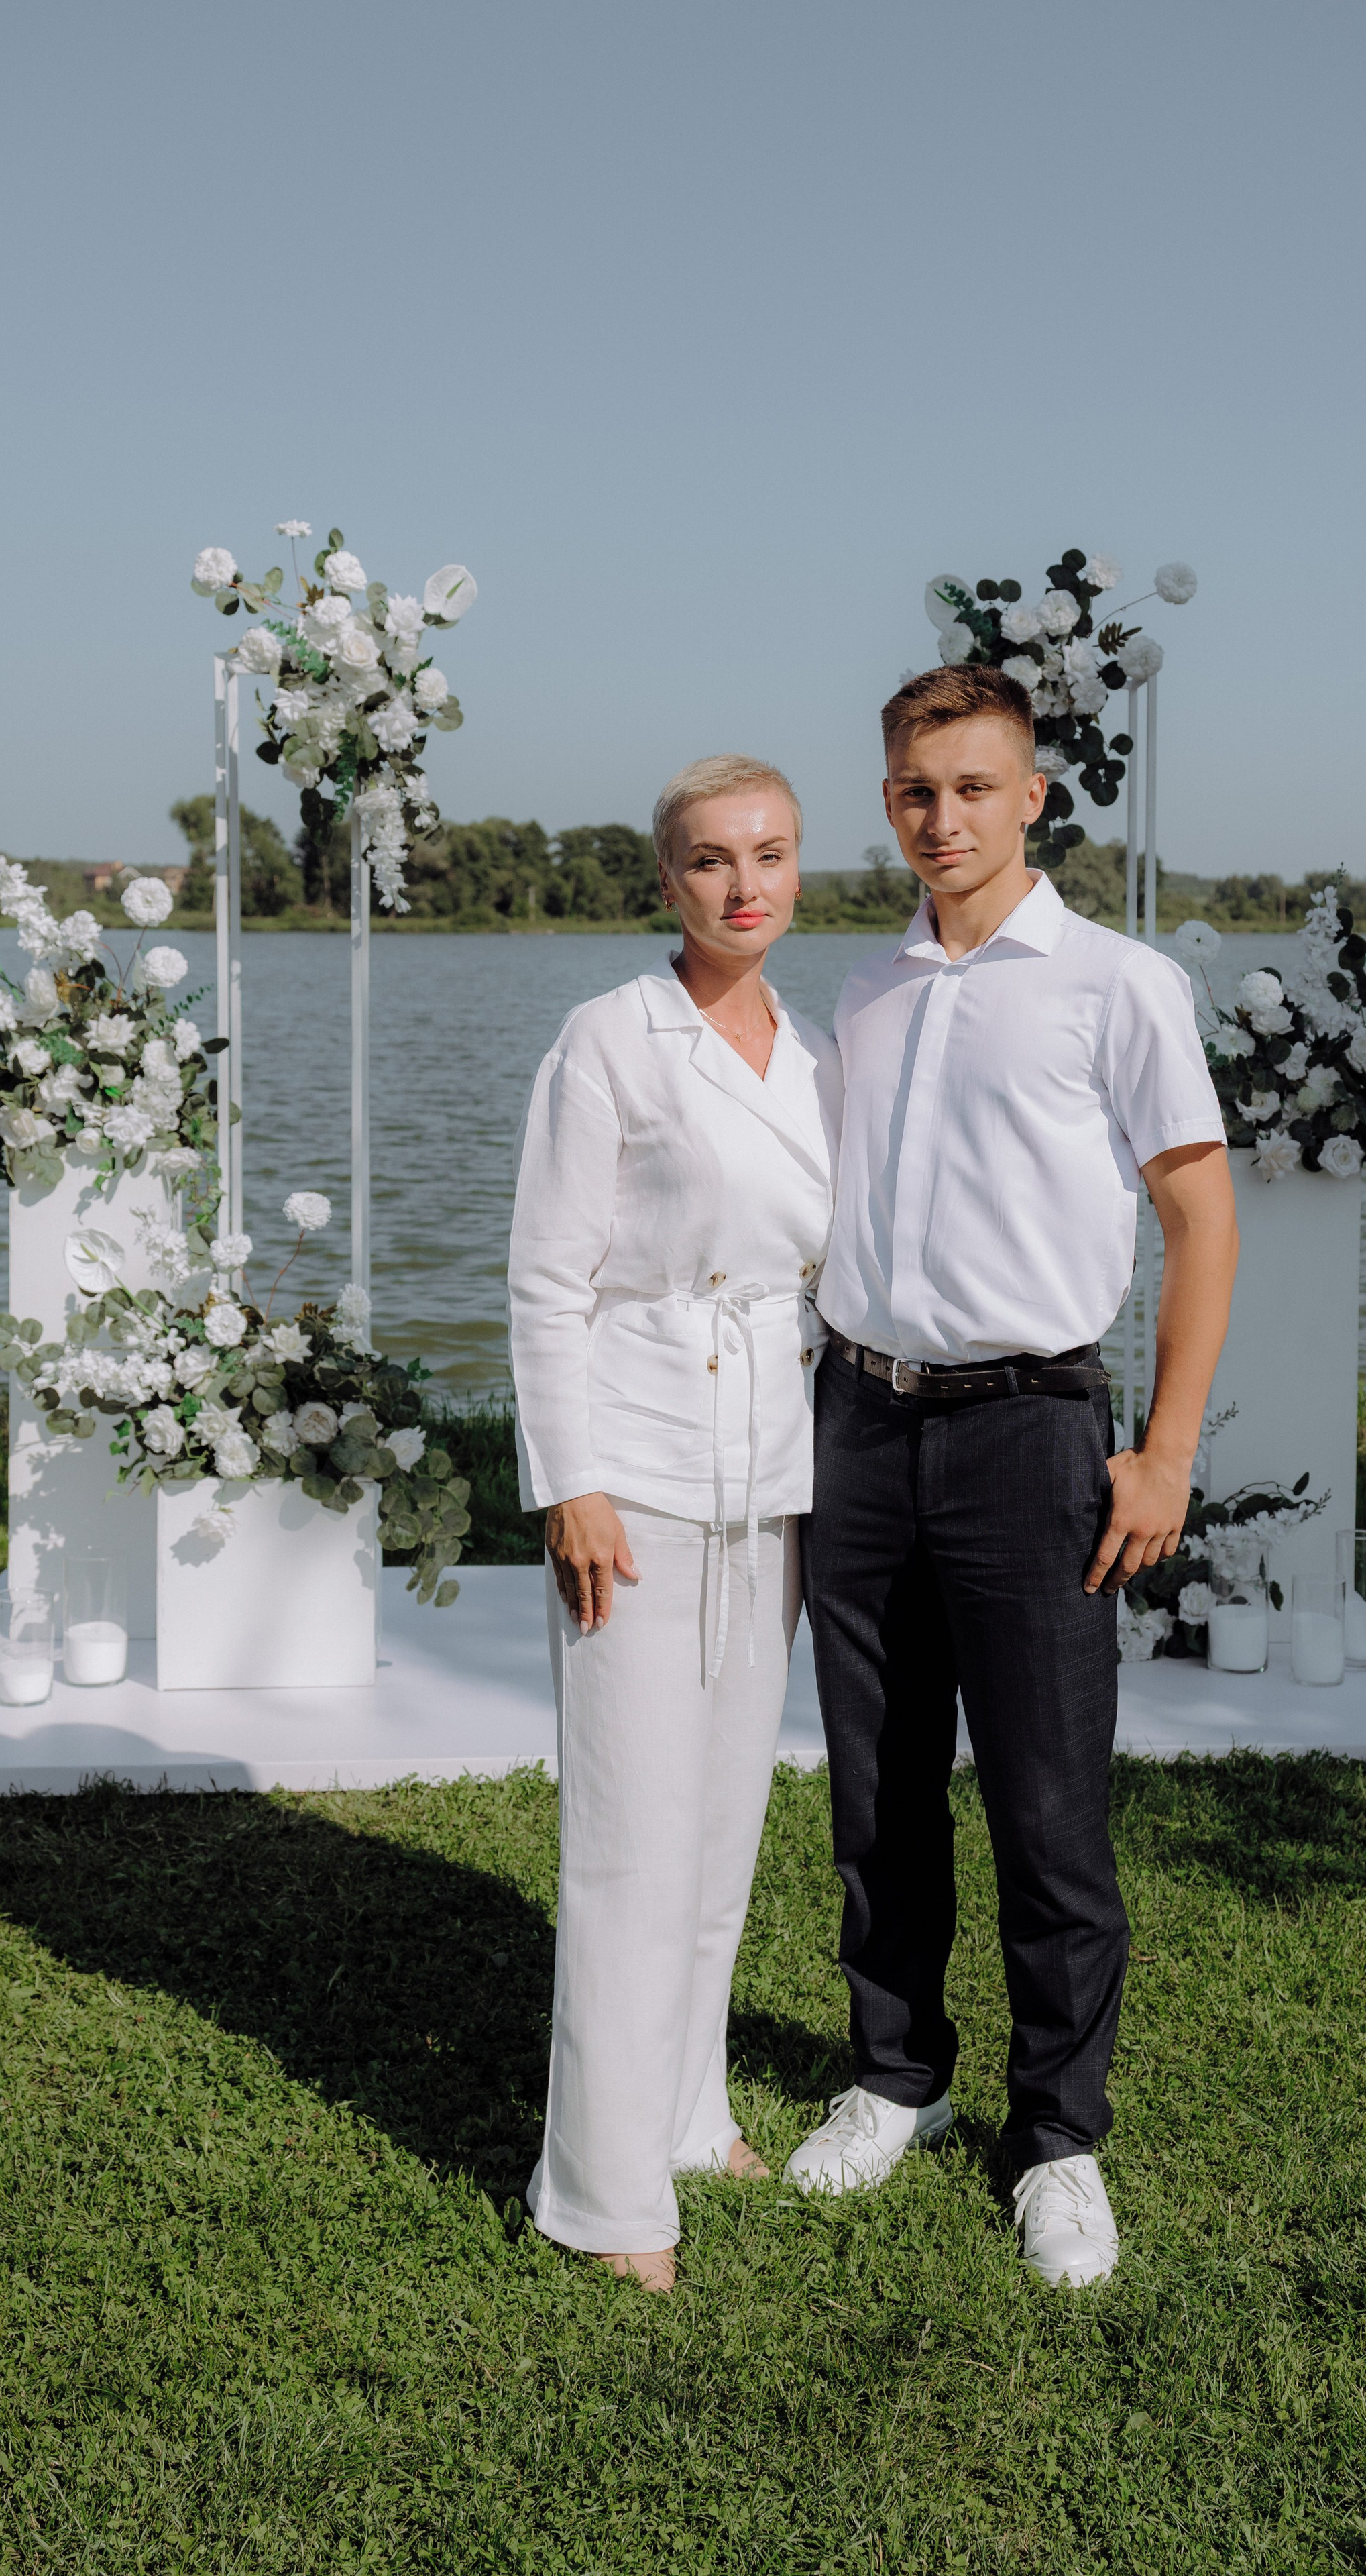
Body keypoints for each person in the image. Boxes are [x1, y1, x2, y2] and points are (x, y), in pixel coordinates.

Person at [787, 663, 1237, 2288]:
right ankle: (894, 2074)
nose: (941, 818)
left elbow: (1198, 1219)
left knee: (1047, 1812)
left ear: (1031, 796)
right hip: (857, 1424)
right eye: (915, 790)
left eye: (973, 789)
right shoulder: (858, 988)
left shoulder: (1117, 986)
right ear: (887, 799)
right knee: (877, 1791)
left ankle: (1056, 2134)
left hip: (1030, 1431)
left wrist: (1163, 1452)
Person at [508, 753, 842, 2294]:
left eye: (767, 852)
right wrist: (568, 1480)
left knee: (719, 1831)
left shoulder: (819, 1052)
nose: (742, 883)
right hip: (633, 1470)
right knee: (629, 1842)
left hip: (768, 1470)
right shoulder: (609, 1041)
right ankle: (598, 2185)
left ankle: (690, 2111)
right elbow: (544, 1280)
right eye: (708, 860)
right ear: (666, 882)